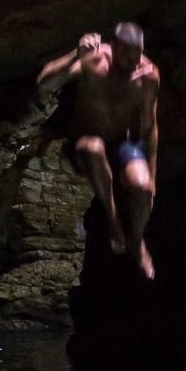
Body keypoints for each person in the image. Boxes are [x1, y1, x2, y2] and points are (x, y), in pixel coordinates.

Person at [36, 22, 160, 278]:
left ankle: (137, 240)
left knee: (143, 187)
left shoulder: (147, 75)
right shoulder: (93, 60)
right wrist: (75, 54)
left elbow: (150, 127)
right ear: (112, 47)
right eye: (127, 58)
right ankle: (113, 220)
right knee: (93, 147)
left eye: (137, 57)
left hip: (123, 144)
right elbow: (44, 83)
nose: (133, 64)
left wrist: (154, 175)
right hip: (85, 142)